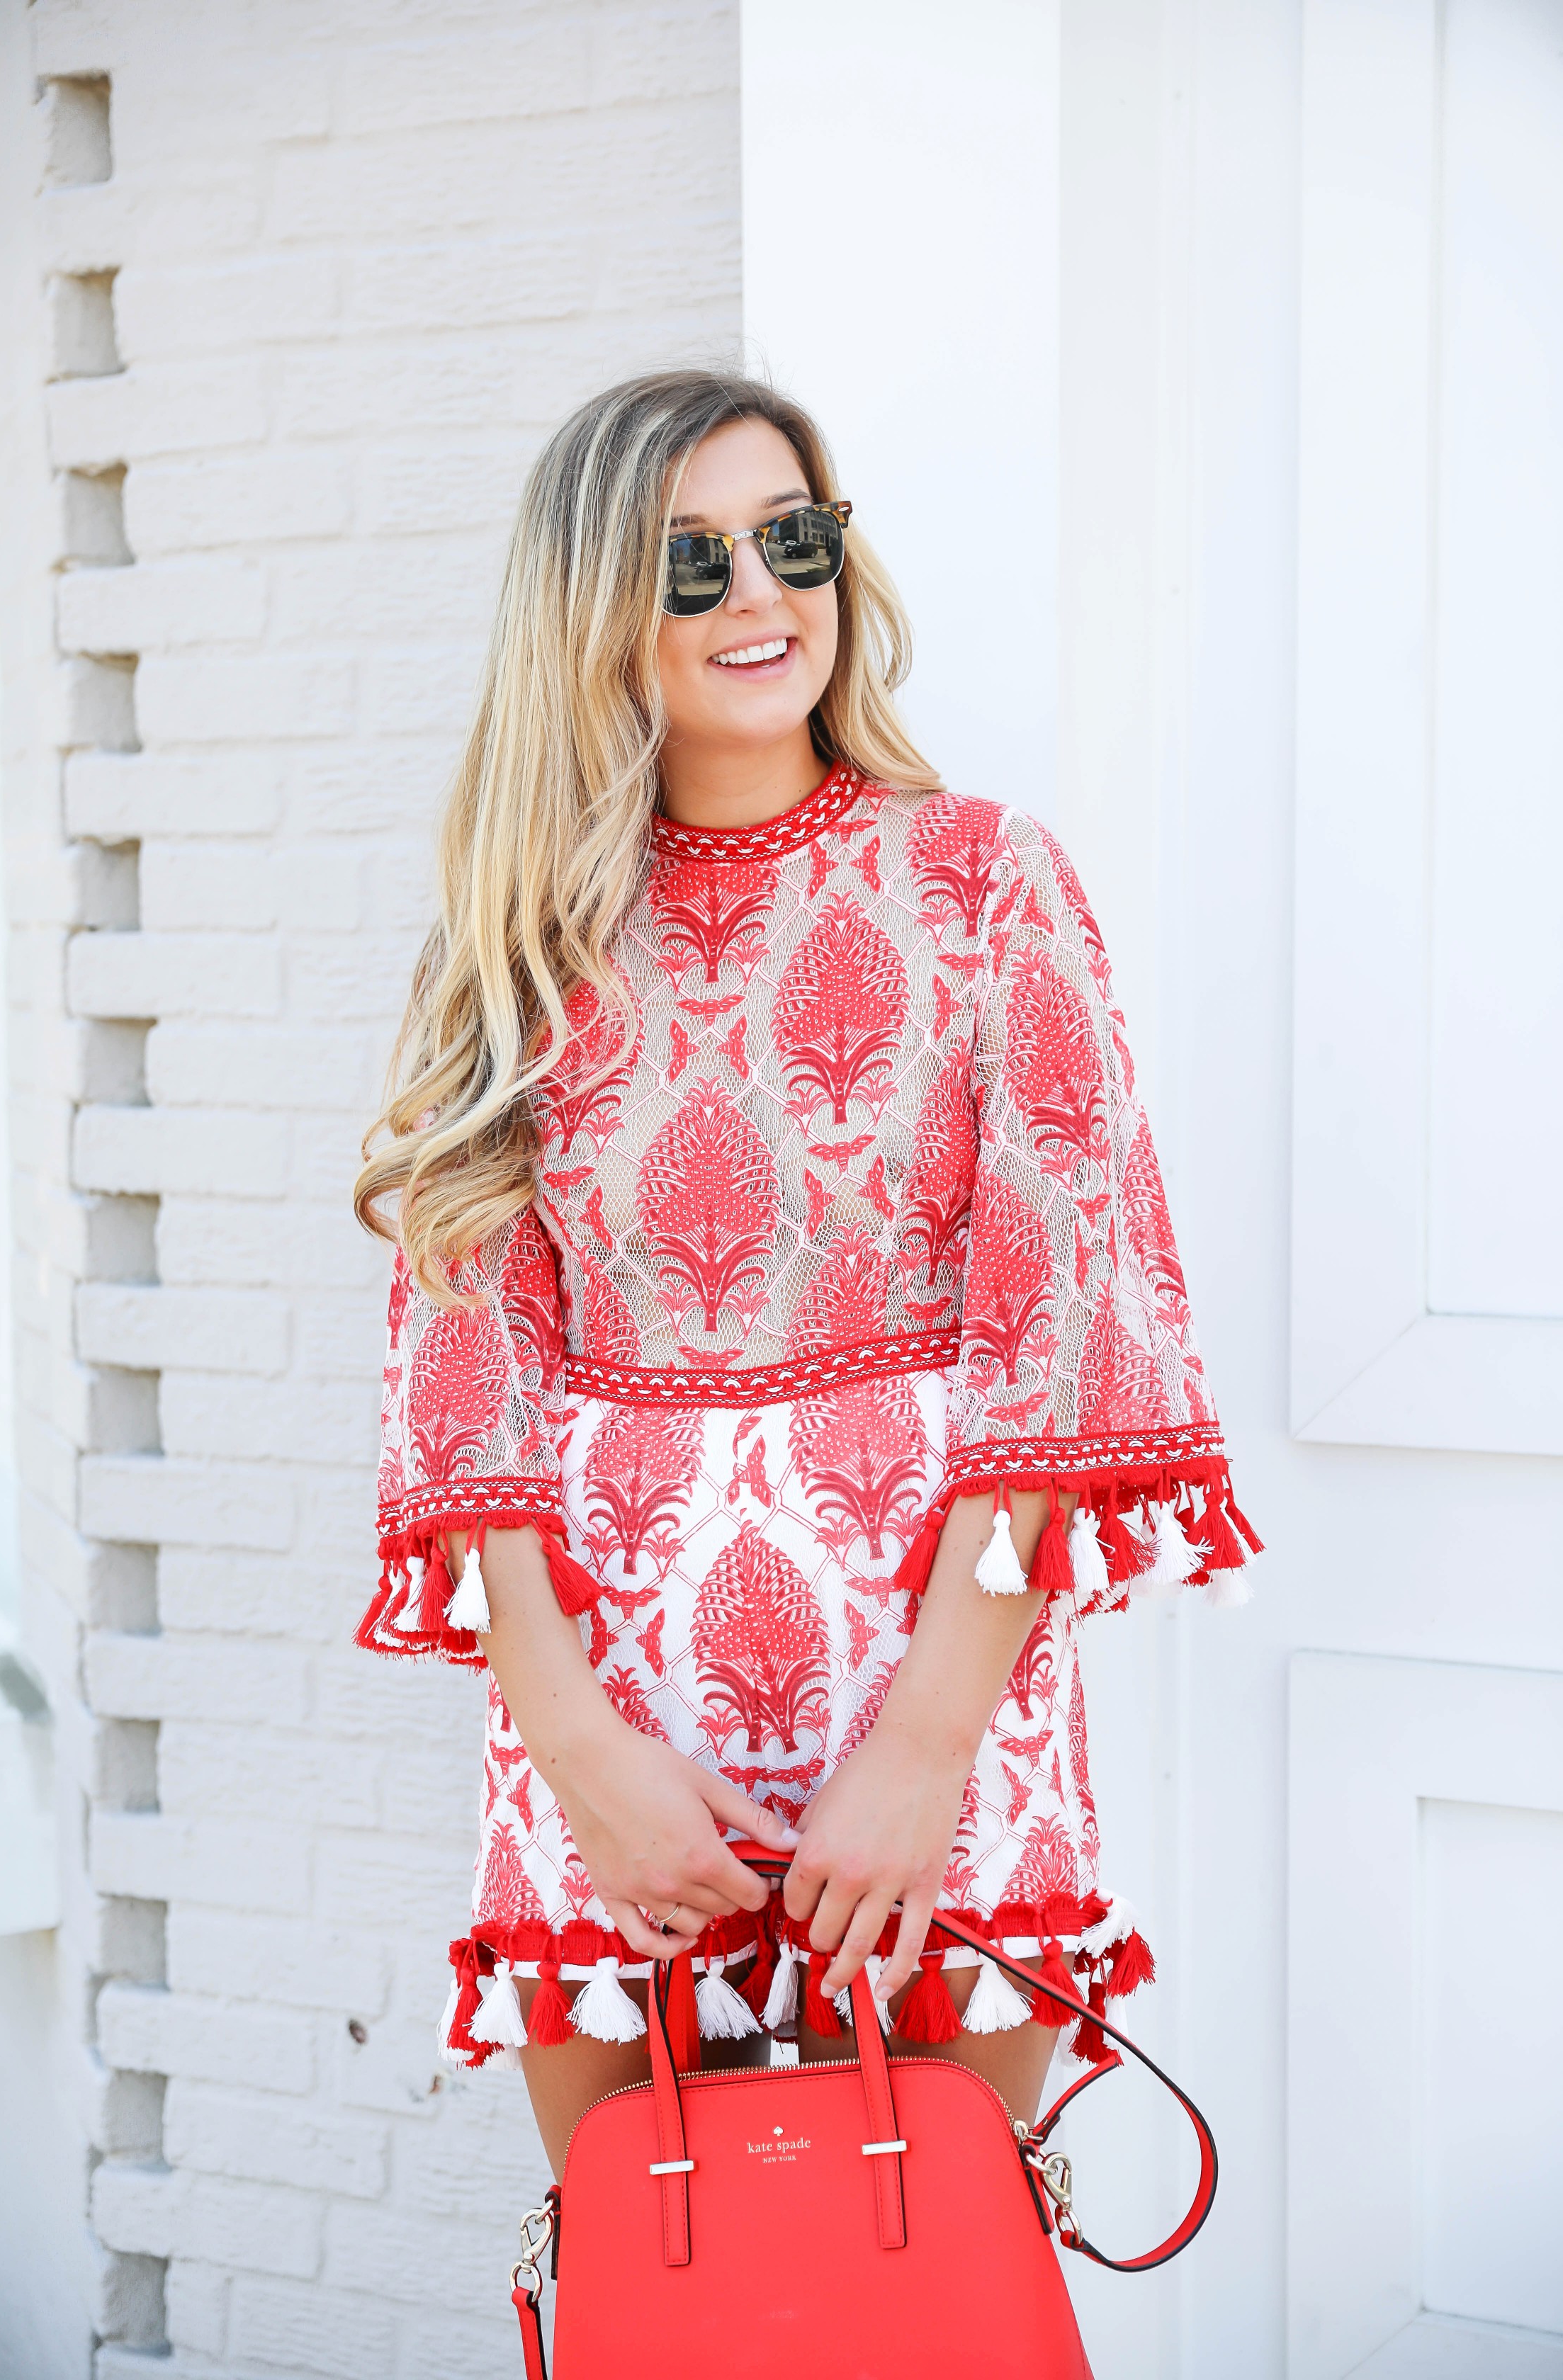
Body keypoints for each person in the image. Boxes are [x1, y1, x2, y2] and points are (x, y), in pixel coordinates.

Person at [353, 369, 1257, 2181]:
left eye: (793, 539)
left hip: (938, 1673)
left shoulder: (984, 880)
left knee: (934, 2276)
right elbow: (470, 1362)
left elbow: (1058, 1325)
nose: (758, 596)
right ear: (591, 604)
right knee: (651, 2282)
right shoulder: (516, 940)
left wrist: (926, 1749)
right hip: (604, 1705)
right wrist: (575, 1747)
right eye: (690, 563)